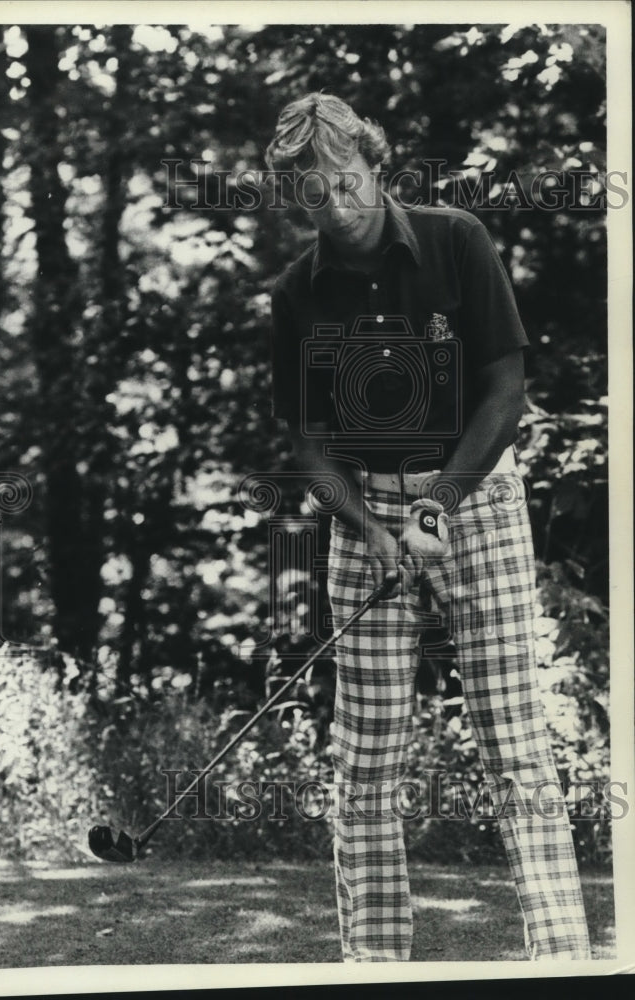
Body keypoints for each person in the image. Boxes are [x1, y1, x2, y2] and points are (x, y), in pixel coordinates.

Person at [264, 93, 591, 962]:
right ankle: (372, 966)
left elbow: (506, 393)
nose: (338, 206)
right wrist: (370, 527)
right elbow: (307, 441)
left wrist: (435, 506)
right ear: (296, 201)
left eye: (348, 182)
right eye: (315, 196)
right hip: (363, 513)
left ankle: (560, 958)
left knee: (515, 741)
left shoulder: (455, 239)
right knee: (367, 761)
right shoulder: (297, 293)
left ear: (375, 166)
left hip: (473, 501)